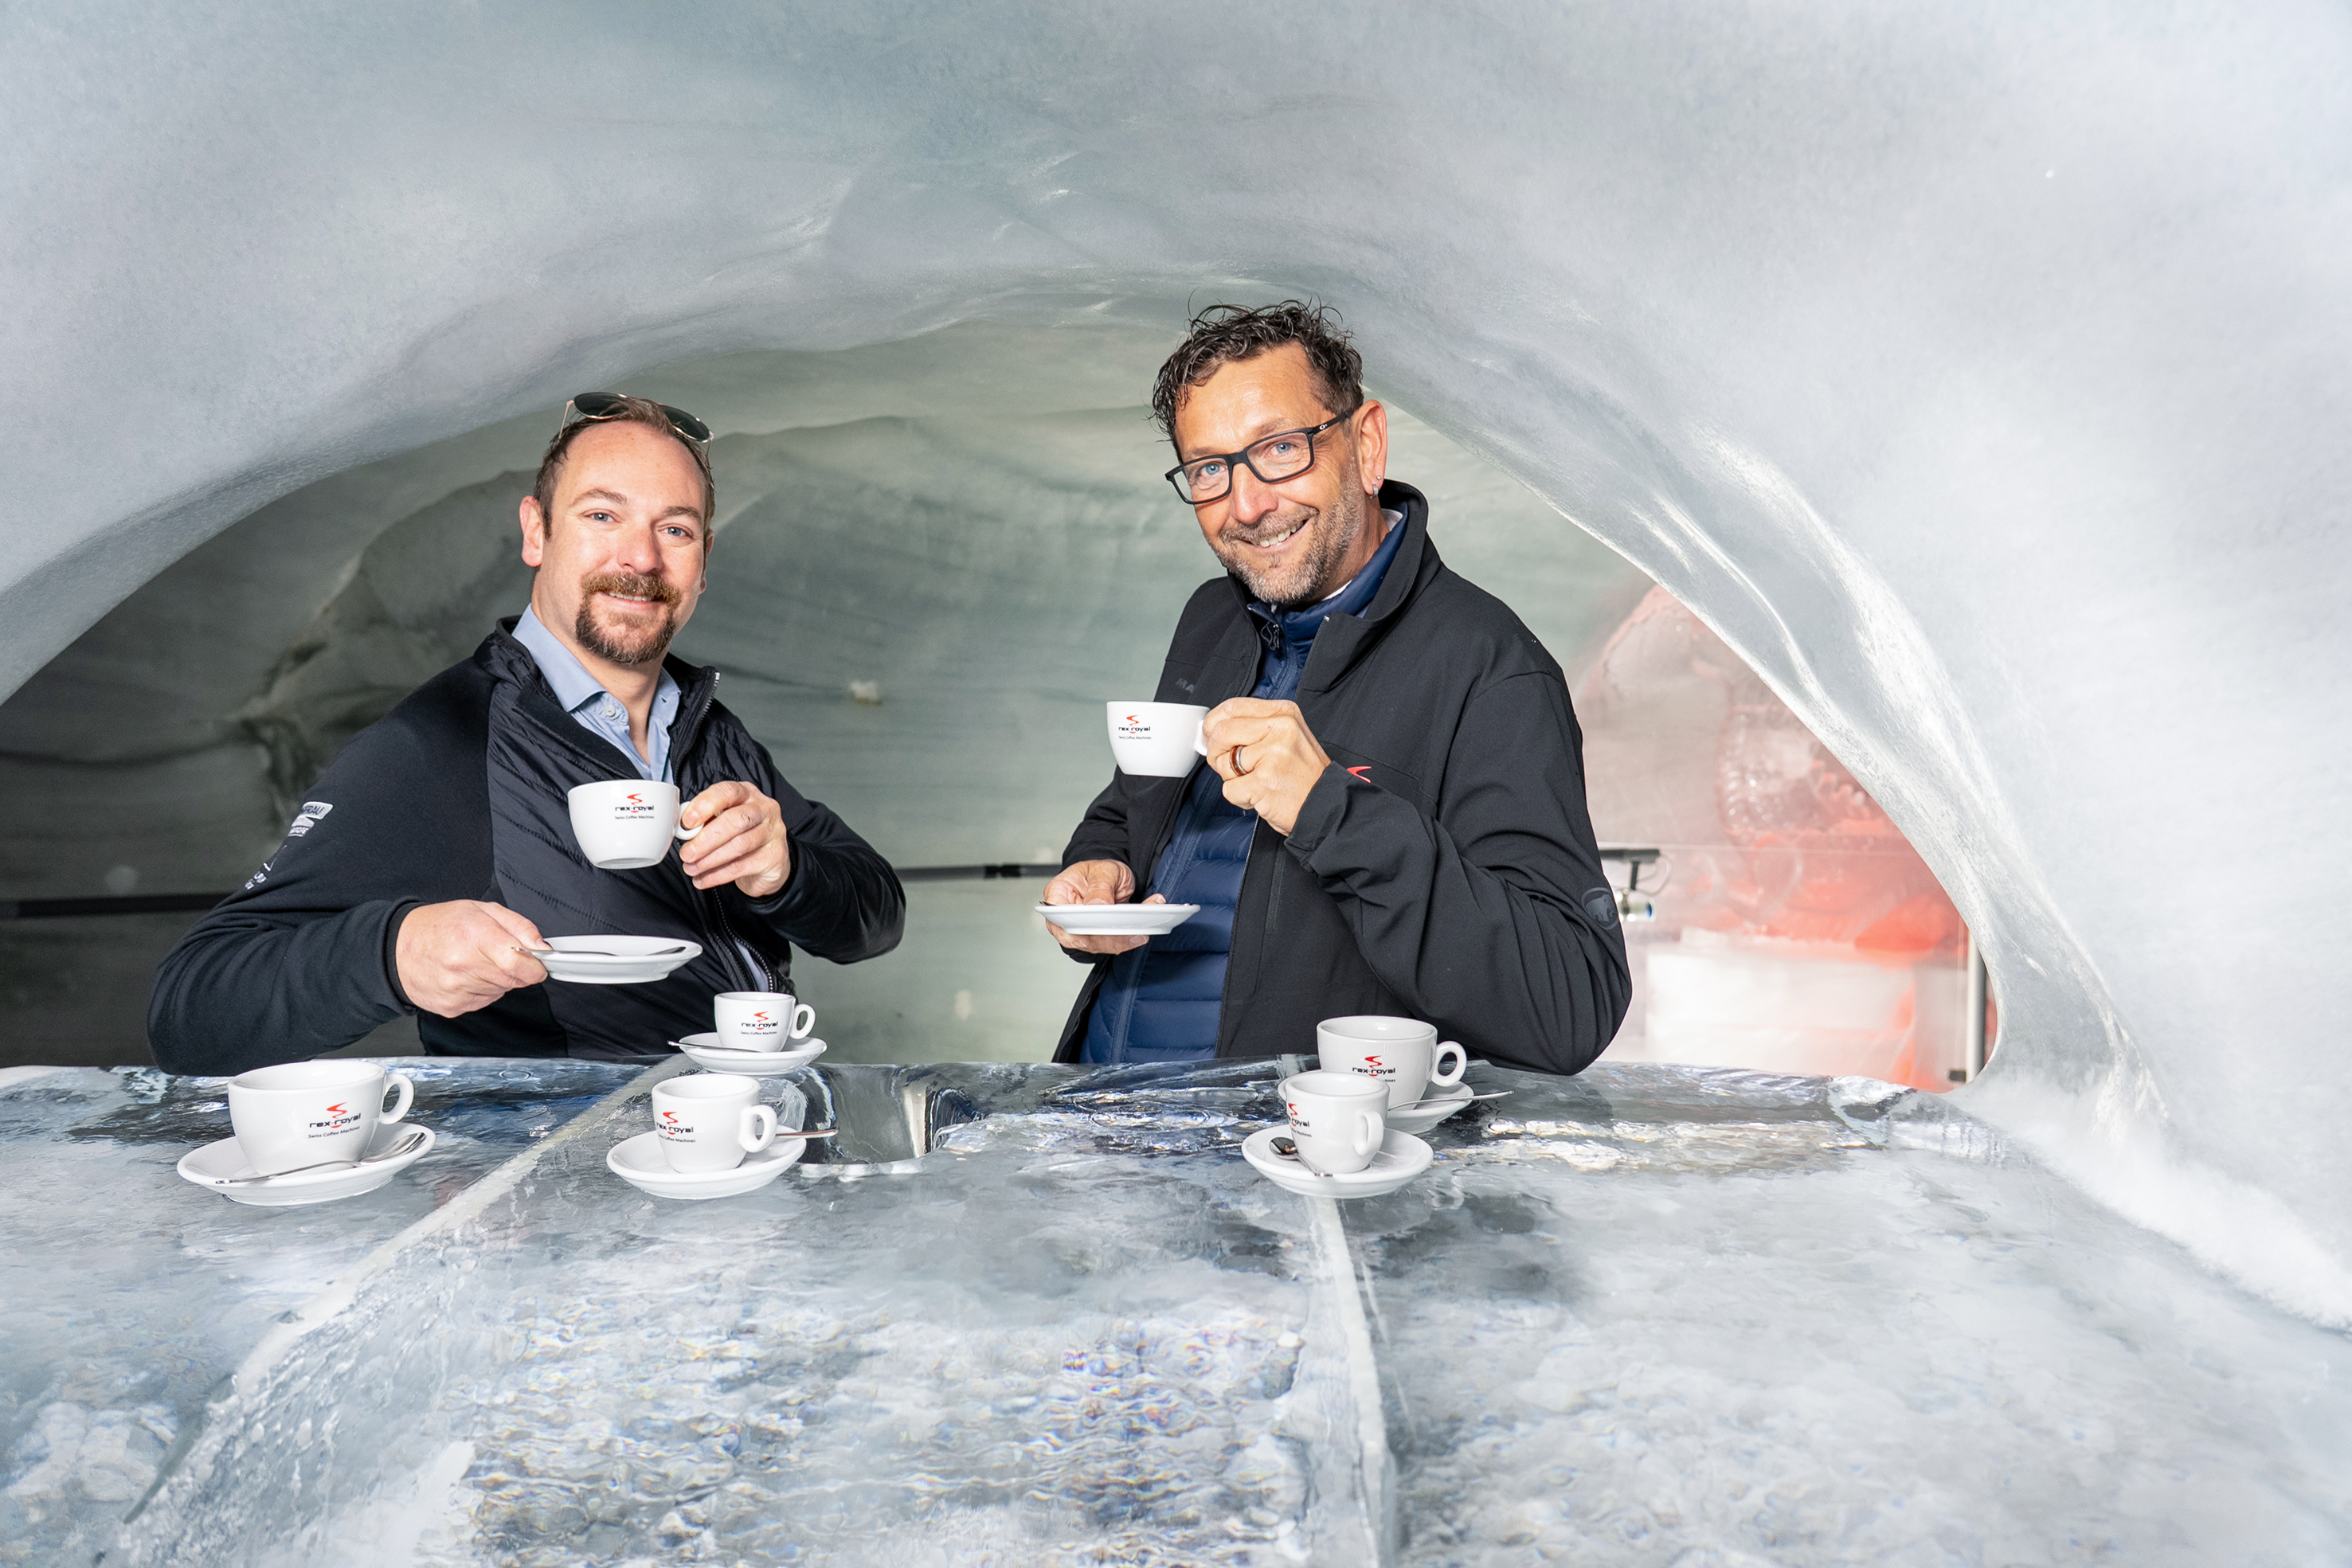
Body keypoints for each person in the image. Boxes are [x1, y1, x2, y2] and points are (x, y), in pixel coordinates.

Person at [149, 395, 903, 1073]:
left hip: (732, 1155)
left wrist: (787, 869)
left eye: (673, 528)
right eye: (602, 515)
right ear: (536, 532)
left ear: (703, 565)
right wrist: (391, 954)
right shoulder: (442, 741)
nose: (640, 557)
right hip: (563, 1192)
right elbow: (192, 1009)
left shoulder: (706, 728)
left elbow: (874, 919)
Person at [1043, 303, 1630, 1074]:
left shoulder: (1489, 669)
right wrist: (1098, 865)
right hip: (1106, 1121)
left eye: (1280, 449)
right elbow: (1136, 807)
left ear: (1366, 443)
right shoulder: (1213, 616)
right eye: (1209, 469)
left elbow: (1570, 1002)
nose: (1246, 505)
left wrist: (1328, 808)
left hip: (1285, 1168)